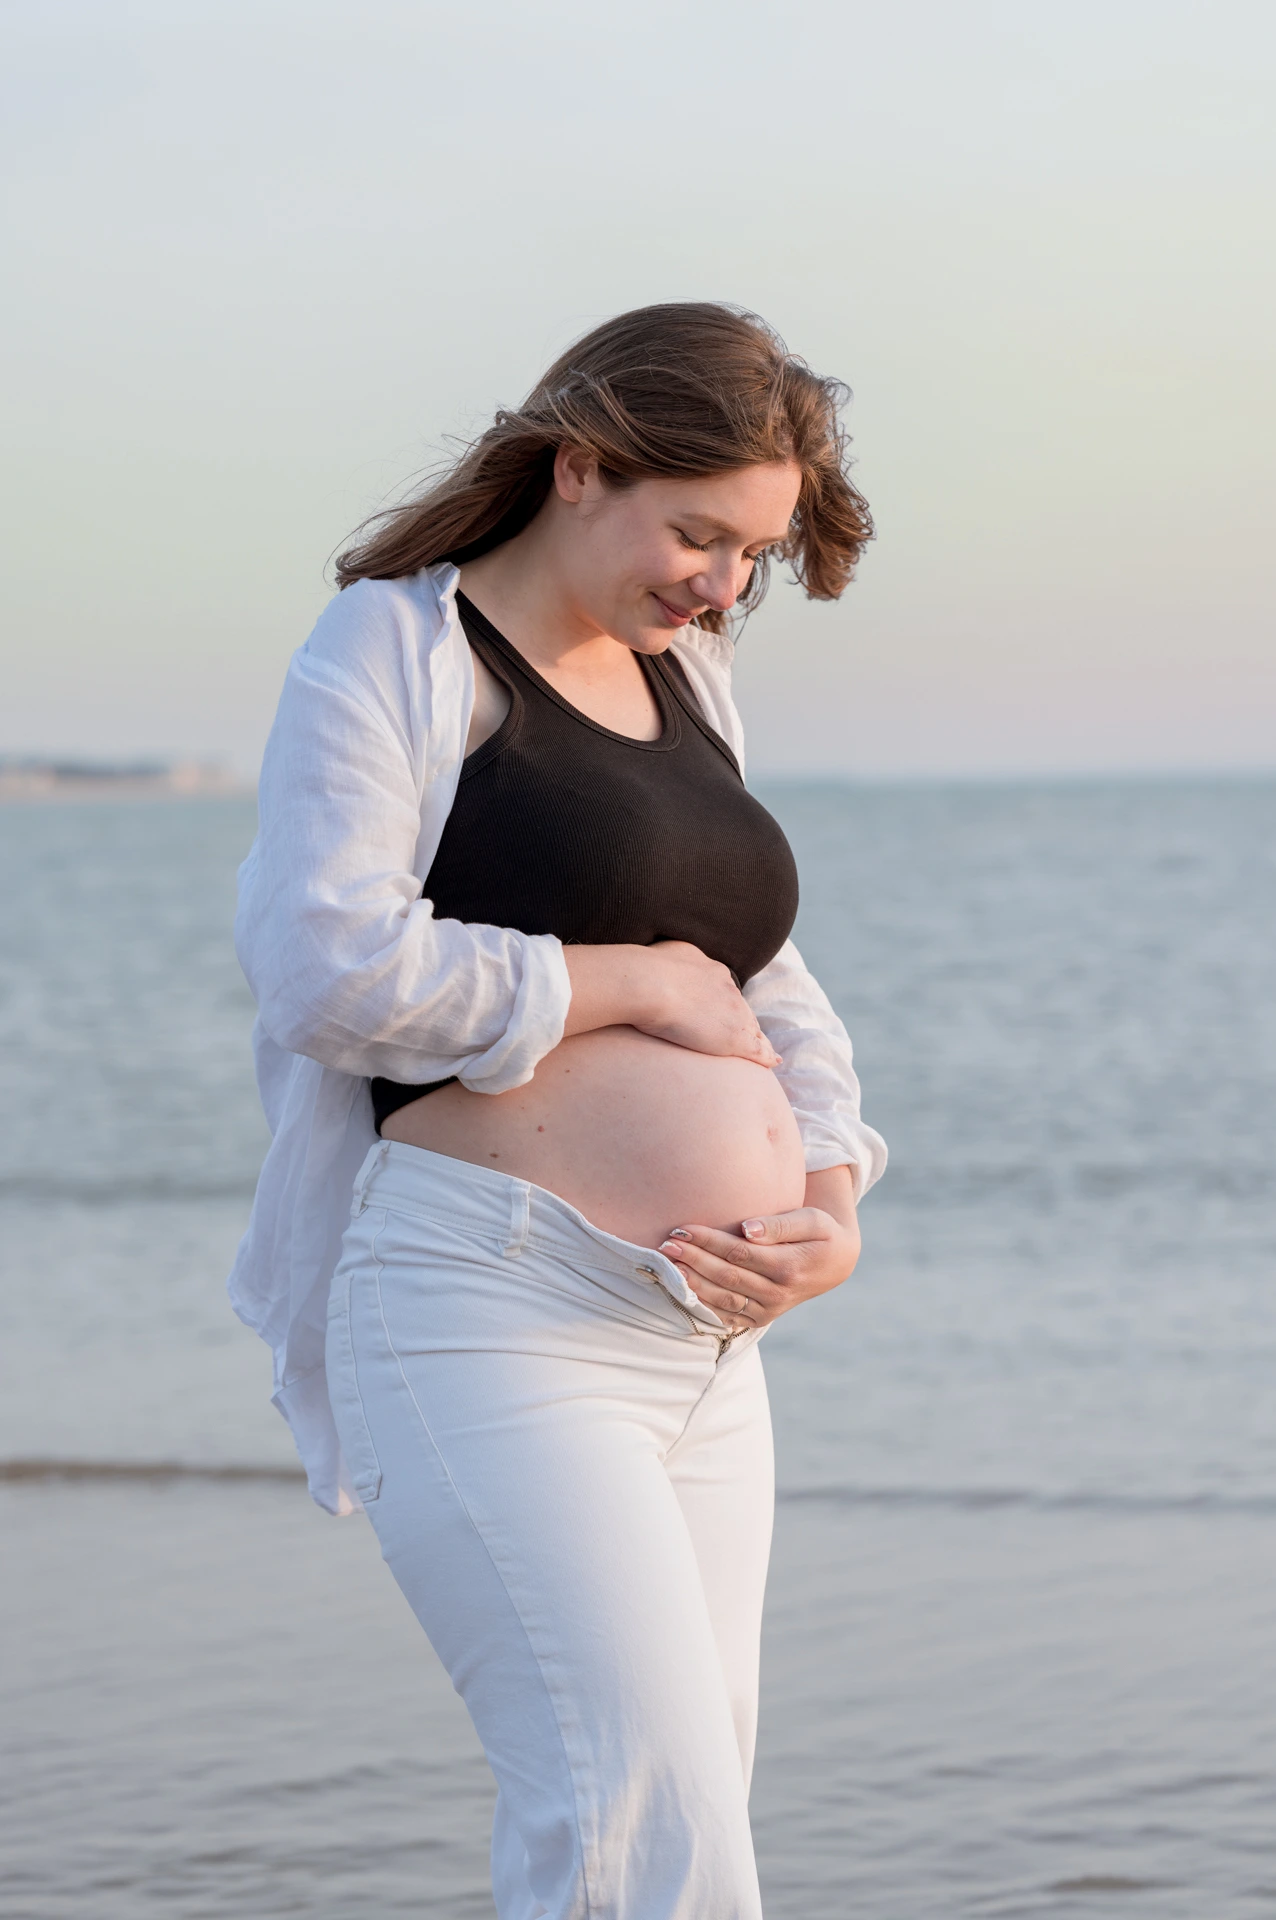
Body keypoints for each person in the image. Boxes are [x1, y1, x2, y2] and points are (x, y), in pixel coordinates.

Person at [229, 301, 887, 1919]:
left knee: (686, 1810)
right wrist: (628, 981)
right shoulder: (396, 645)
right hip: (488, 1311)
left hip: (705, 1351)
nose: (723, 584)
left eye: (753, 555)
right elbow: (325, 966)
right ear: (579, 466)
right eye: (698, 533)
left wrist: (830, 1206)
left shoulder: (696, 687)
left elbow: (770, 985)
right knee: (639, 1835)